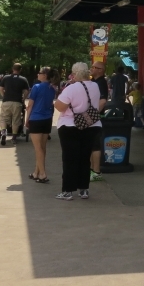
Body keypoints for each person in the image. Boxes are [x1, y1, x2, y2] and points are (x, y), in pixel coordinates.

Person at [52, 62, 102, 201]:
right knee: (84, 158)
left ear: (74, 74)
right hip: (92, 125)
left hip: (70, 126)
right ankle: (84, 189)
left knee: (70, 159)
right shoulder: (95, 86)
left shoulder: (71, 88)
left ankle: (68, 191)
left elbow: (60, 107)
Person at [24, 68, 56, 184]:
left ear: (45, 75)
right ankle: (36, 172)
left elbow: (30, 105)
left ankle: (42, 174)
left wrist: (27, 120)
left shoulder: (36, 87)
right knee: (42, 147)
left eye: (40, 73)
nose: (38, 74)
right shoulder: (52, 89)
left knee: (38, 148)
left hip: (36, 118)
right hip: (47, 119)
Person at [0, 63, 30, 146]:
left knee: (4, 118)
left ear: (12, 69)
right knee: (16, 120)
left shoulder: (6, 78)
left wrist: (4, 96)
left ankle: (4, 132)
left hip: (6, 101)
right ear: (20, 70)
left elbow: (1, 89)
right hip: (17, 102)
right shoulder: (23, 79)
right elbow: (26, 91)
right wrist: (23, 98)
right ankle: (14, 138)